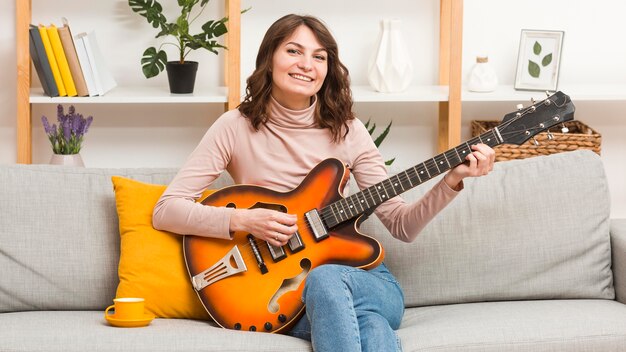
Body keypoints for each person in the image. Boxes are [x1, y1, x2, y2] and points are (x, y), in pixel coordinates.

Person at [153, 14, 495, 352]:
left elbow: (401, 225)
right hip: (286, 296)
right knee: (370, 324)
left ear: (328, 69)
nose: (307, 64)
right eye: (293, 51)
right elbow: (166, 210)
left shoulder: (348, 130)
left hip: (368, 281)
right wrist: (242, 220)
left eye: (319, 57)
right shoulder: (234, 126)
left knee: (329, 278)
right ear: (269, 57)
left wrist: (452, 180)